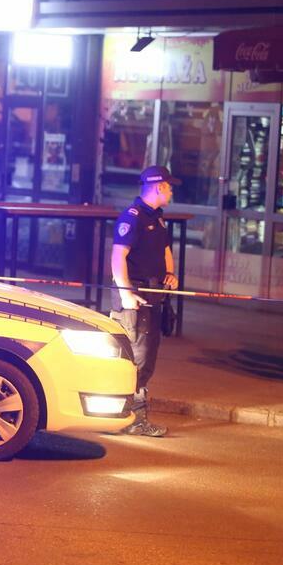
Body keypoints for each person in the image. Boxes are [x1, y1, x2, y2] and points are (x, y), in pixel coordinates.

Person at [110, 165, 181, 437]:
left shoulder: (158, 218)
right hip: (136, 296)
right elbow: (118, 256)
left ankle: (130, 417)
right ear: (159, 187)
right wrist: (126, 293)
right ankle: (130, 419)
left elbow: (165, 249)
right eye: (169, 186)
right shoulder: (133, 217)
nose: (171, 191)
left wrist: (170, 273)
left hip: (152, 295)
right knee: (137, 359)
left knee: (147, 357)